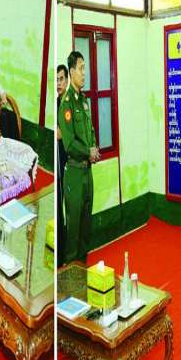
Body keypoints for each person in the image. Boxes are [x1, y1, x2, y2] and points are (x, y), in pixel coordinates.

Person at [58, 50, 100, 264]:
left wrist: (94, 148)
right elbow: (69, 143)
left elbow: (90, 131)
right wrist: (87, 152)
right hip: (74, 174)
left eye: (85, 68)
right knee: (73, 231)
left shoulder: (84, 102)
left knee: (85, 230)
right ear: (72, 71)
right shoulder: (67, 104)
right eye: (81, 69)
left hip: (87, 173)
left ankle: (82, 273)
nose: (84, 73)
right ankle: (70, 279)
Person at [56, 63, 69, 266]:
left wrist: (62, 133)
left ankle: (67, 254)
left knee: (69, 211)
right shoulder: (56, 103)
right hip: (59, 164)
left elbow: (66, 133)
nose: (58, 83)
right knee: (59, 208)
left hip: (69, 163)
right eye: (56, 80)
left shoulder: (68, 104)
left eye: (61, 79)